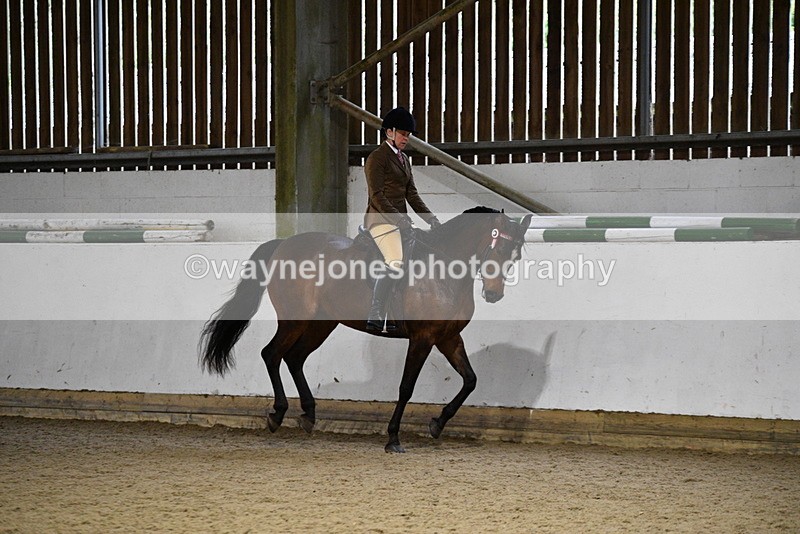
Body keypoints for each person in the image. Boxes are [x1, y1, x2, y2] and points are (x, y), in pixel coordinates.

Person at [364, 107, 441, 332]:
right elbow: (376, 196)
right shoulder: (377, 158)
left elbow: (412, 195)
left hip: (400, 221)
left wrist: (431, 219)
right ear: (389, 132)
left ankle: (401, 313)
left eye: (408, 135)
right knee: (395, 261)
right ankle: (376, 312)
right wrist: (398, 219)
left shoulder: (404, 159)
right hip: (380, 220)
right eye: (403, 134)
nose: (406, 139)